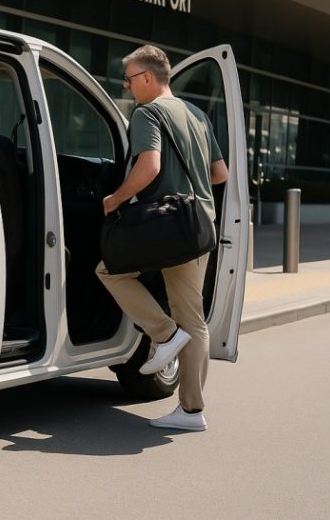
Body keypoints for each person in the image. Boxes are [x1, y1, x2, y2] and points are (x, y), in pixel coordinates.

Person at [96, 45, 228, 431]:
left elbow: (149, 166)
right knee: (194, 319)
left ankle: (164, 333)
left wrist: (115, 199)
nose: (127, 87)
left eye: (129, 80)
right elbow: (220, 174)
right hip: (199, 226)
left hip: (166, 226)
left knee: (109, 271)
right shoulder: (197, 114)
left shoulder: (148, 112)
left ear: (148, 78)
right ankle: (192, 411)